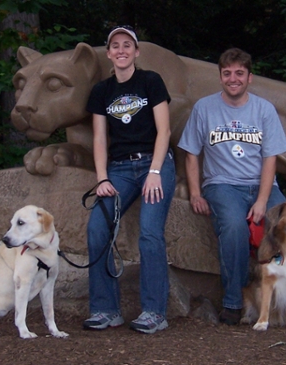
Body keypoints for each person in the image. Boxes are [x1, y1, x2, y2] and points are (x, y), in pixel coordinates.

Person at [178, 47, 286, 326]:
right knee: (234, 227)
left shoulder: (264, 109)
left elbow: (270, 158)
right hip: (222, 185)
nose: (233, 79)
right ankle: (233, 303)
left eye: (239, 73)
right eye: (227, 73)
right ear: (220, 77)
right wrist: (195, 193)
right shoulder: (204, 108)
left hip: (260, 184)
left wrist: (263, 201)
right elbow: (191, 153)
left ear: (250, 77)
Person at [82, 25, 176, 334]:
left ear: (136, 52)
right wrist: (101, 178)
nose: (121, 50)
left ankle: (154, 312)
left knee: (149, 232)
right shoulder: (101, 91)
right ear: (108, 53)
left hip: (155, 162)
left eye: (127, 45)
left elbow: (165, 131)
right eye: (115, 46)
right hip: (119, 169)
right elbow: (99, 139)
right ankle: (106, 309)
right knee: (97, 227)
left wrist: (154, 173)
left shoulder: (150, 81)